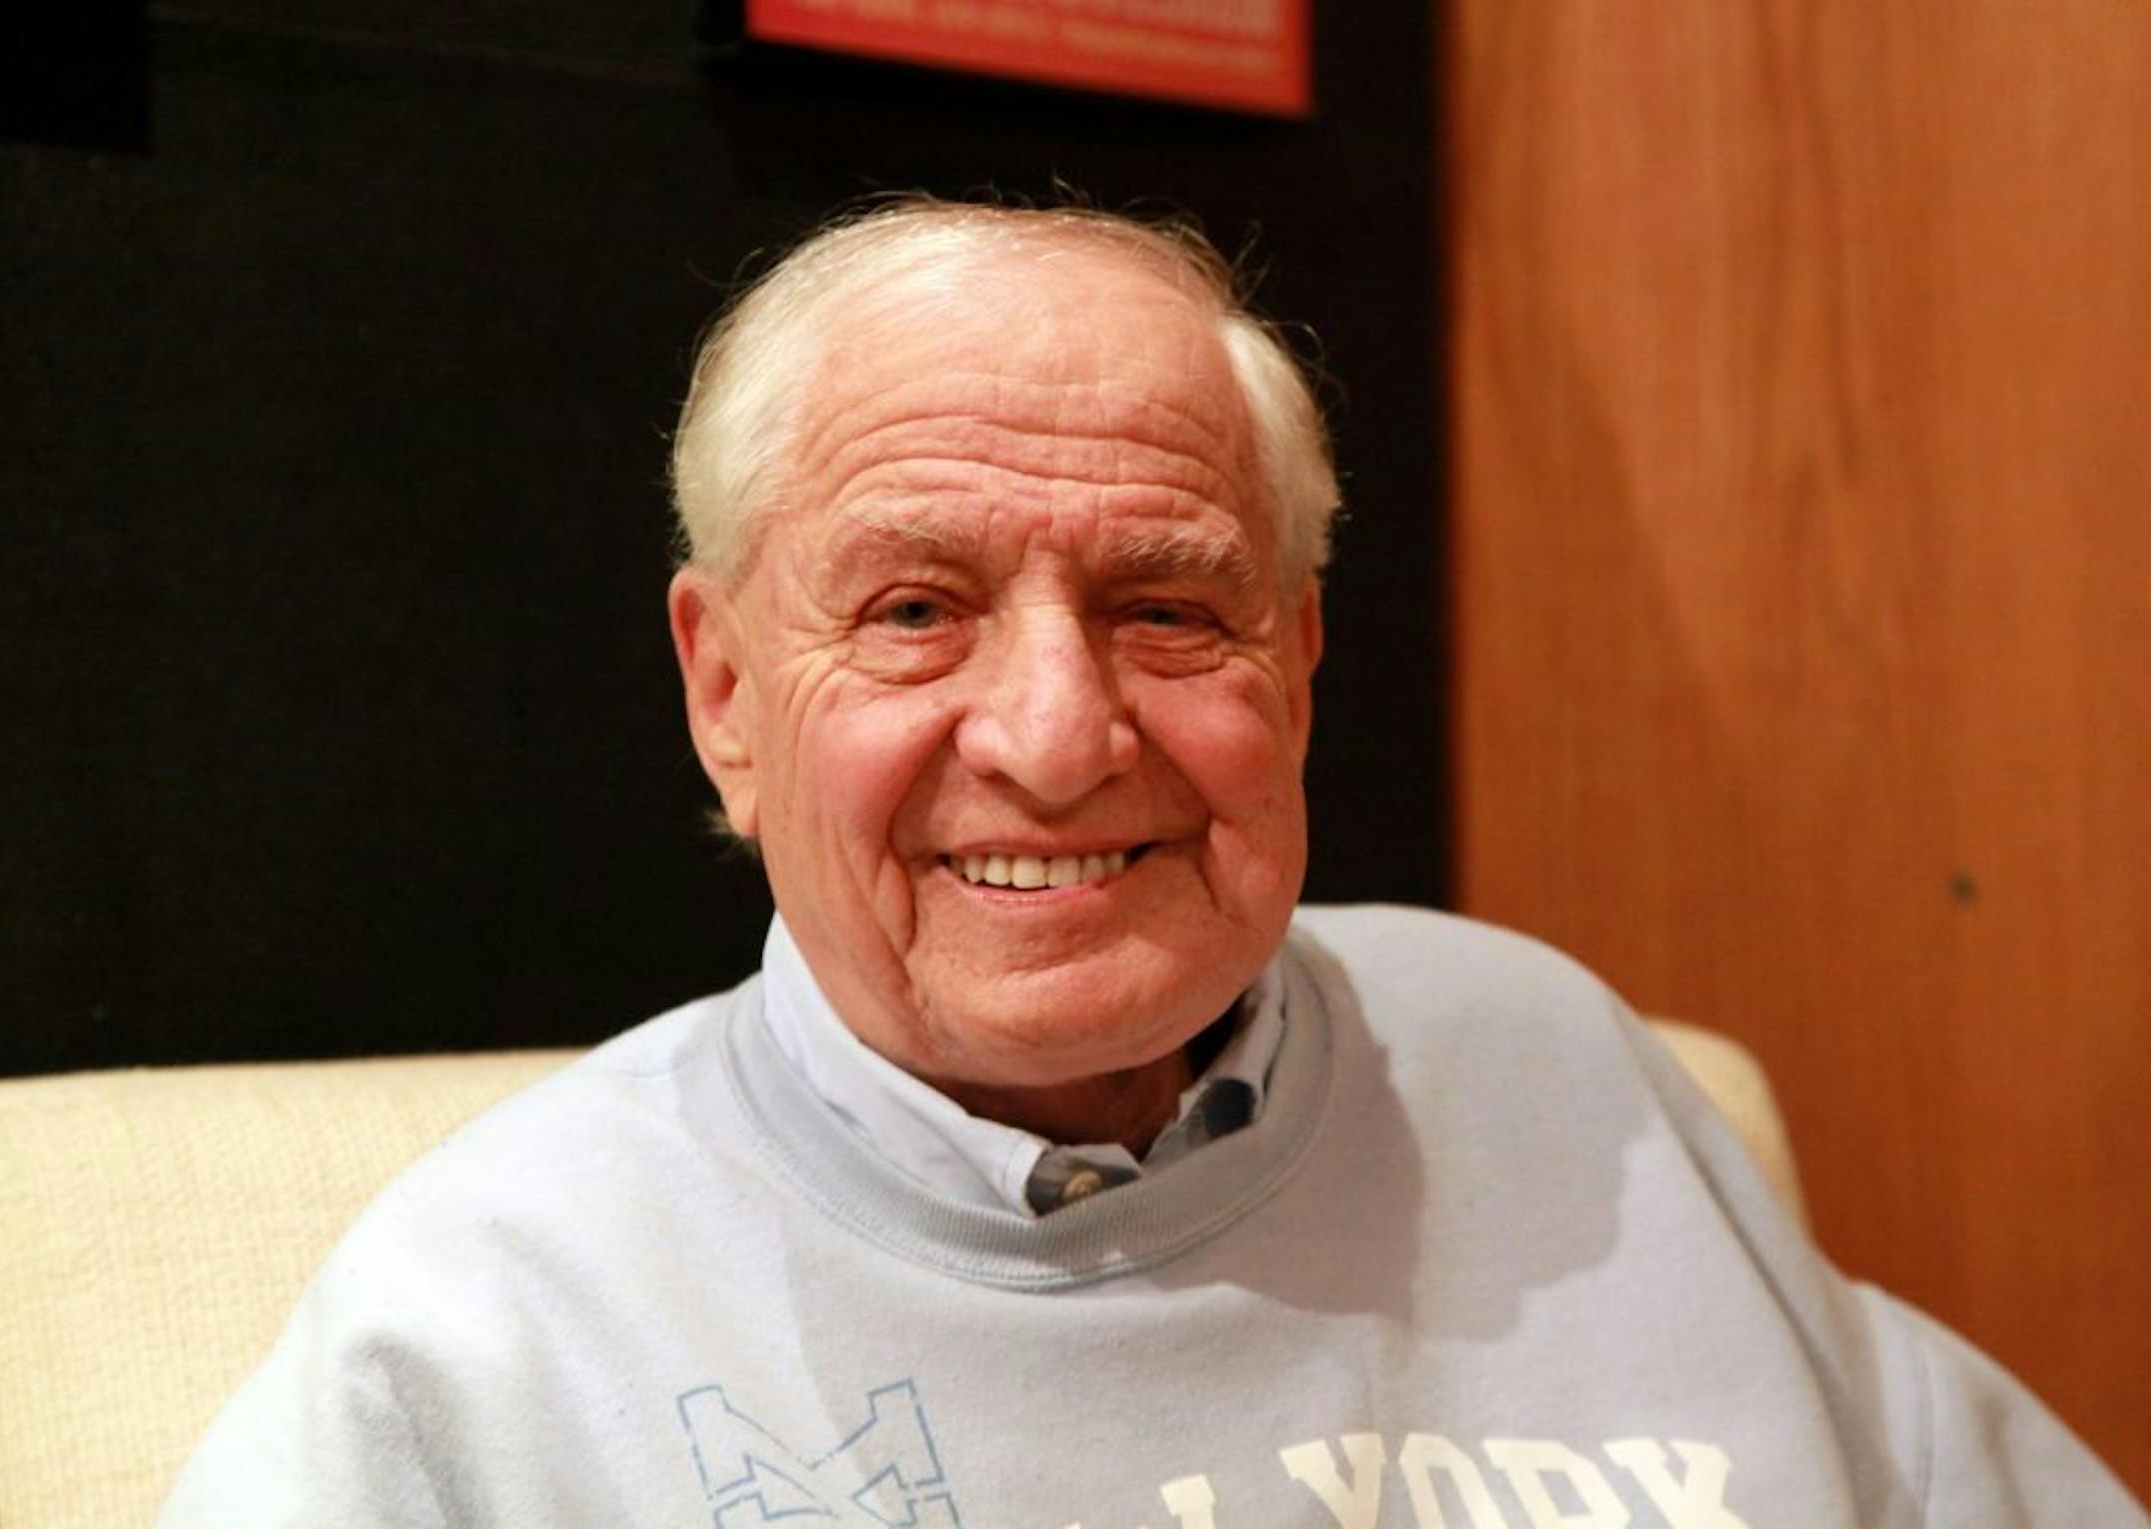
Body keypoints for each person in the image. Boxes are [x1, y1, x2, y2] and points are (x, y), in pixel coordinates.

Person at [160, 200, 2144, 1527]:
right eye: (917, 609)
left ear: (1299, 663)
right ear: (728, 692)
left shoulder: (1556, 1061)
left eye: (1171, 609)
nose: (1056, 735)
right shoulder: (488, 1330)